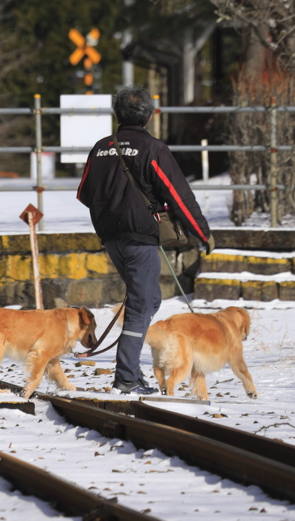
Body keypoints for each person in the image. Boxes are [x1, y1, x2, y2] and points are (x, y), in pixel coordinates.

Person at [77, 85, 214, 395]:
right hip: (140, 239)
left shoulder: (100, 147)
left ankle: (132, 371)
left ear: (117, 113)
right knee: (142, 305)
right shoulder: (153, 148)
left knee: (149, 299)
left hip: (111, 237)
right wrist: (201, 232)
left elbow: (84, 193)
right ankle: (126, 377)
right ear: (149, 116)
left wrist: (111, 211)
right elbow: (178, 194)